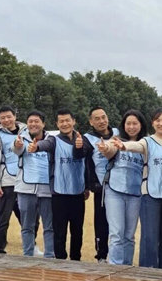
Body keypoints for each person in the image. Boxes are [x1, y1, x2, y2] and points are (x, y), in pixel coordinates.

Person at [112, 108, 162, 270]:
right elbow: (136, 146)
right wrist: (123, 145)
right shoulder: (147, 141)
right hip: (150, 194)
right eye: (157, 120)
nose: (161, 123)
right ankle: (147, 270)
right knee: (150, 236)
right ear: (152, 123)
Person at [33, 109, 88, 260]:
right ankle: (60, 261)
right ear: (57, 124)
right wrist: (36, 147)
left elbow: (85, 157)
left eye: (67, 120)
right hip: (59, 193)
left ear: (73, 121)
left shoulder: (82, 139)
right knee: (59, 231)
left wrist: (80, 146)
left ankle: (76, 260)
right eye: (61, 121)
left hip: (77, 193)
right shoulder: (54, 140)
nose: (65, 124)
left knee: (77, 231)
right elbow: (45, 144)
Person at [97, 110, 148, 265]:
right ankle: (115, 267)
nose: (131, 127)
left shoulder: (145, 144)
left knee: (129, 235)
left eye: (135, 123)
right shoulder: (116, 140)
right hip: (115, 191)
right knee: (116, 233)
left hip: (136, 193)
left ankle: (127, 267)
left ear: (141, 125)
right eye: (128, 123)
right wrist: (105, 148)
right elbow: (110, 149)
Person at [12, 110, 55, 258]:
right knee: (27, 226)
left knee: (49, 226)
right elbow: (16, 150)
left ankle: (50, 256)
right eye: (30, 121)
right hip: (25, 189)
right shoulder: (21, 138)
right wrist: (18, 145)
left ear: (43, 124)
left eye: (37, 121)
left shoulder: (52, 140)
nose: (33, 124)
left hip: (47, 189)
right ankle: (28, 255)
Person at [0, 105, 25, 254]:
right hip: (7, 181)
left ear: (15, 116)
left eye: (9, 116)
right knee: (4, 216)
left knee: (28, 216)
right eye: (2, 118)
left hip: (25, 180)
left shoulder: (26, 132)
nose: (6, 120)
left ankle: (30, 244)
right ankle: (0, 247)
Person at [83, 107, 118, 263]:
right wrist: (89, 185)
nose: (101, 121)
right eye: (97, 119)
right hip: (101, 187)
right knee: (101, 222)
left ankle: (118, 255)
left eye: (103, 117)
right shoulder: (88, 139)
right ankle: (101, 255)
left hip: (120, 185)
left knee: (118, 223)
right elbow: (85, 162)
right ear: (91, 122)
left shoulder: (118, 133)